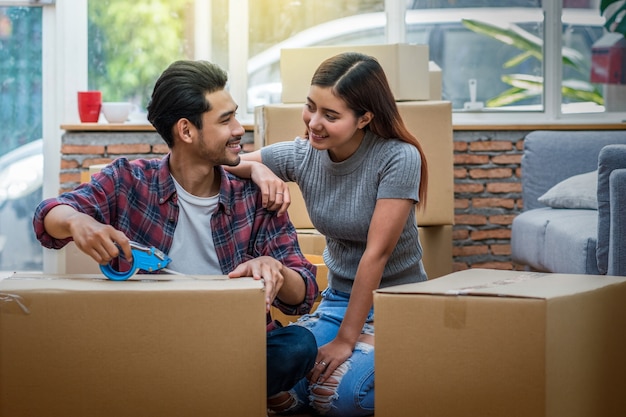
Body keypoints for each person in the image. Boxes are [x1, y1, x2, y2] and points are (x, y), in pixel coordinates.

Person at [32, 59, 319, 405]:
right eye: (225, 120)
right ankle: (218, 393)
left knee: (299, 347)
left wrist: (275, 268)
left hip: (232, 343)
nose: (239, 128)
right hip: (150, 339)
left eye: (235, 116)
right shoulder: (128, 180)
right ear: (186, 131)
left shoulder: (257, 197)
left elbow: (303, 292)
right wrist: (79, 221)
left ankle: (180, 392)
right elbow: (47, 217)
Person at [229, 52, 429, 416]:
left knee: (344, 397)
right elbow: (226, 162)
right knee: (256, 375)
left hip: (396, 303)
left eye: (331, 116)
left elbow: (376, 254)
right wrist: (259, 172)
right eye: (310, 107)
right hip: (338, 300)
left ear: (364, 118)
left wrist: (346, 341)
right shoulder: (303, 154)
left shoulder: (398, 158)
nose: (314, 123)